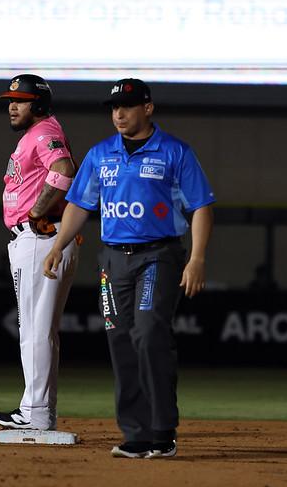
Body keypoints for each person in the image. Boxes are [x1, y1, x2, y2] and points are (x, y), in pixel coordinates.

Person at [43, 79, 214, 459]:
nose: (119, 114)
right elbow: (79, 205)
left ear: (148, 109)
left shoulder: (175, 152)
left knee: (150, 331)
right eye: (114, 108)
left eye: (128, 106)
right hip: (113, 259)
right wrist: (58, 245)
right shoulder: (101, 154)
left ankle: (162, 431)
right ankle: (135, 434)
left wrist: (197, 258)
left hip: (158, 255)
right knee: (119, 339)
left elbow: (200, 205)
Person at [0, 74, 79, 431]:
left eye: (21, 100)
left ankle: (36, 412)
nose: (13, 105)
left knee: (36, 330)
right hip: (38, 239)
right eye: (10, 99)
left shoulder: (43, 132)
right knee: (37, 329)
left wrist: (37, 211)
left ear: (38, 104)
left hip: (40, 238)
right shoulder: (35, 134)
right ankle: (35, 409)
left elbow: (64, 170)